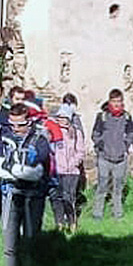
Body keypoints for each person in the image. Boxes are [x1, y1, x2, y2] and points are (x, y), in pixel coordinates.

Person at [0, 102, 52, 266]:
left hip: (33, 196)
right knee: (9, 243)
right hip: (10, 195)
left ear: (29, 122)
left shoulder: (40, 139)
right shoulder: (4, 137)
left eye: (20, 124)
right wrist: (15, 170)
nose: (16, 129)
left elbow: (37, 170)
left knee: (31, 239)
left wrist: (12, 169)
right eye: (12, 124)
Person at [89, 88, 133, 219]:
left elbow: (131, 133)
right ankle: (97, 214)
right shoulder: (102, 117)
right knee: (102, 187)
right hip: (104, 158)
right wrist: (101, 146)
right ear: (109, 102)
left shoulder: (127, 117)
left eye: (119, 101)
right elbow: (95, 134)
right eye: (114, 101)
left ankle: (117, 214)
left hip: (120, 158)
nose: (117, 104)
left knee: (118, 188)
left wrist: (125, 145)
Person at [49, 95, 88, 232]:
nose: (61, 120)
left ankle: (72, 221)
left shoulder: (76, 133)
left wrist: (74, 163)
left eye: (64, 117)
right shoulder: (53, 132)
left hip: (72, 171)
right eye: (59, 117)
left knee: (68, 198)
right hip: (57, 170)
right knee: (57, 198)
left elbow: (80, 151)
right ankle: (59, 223)